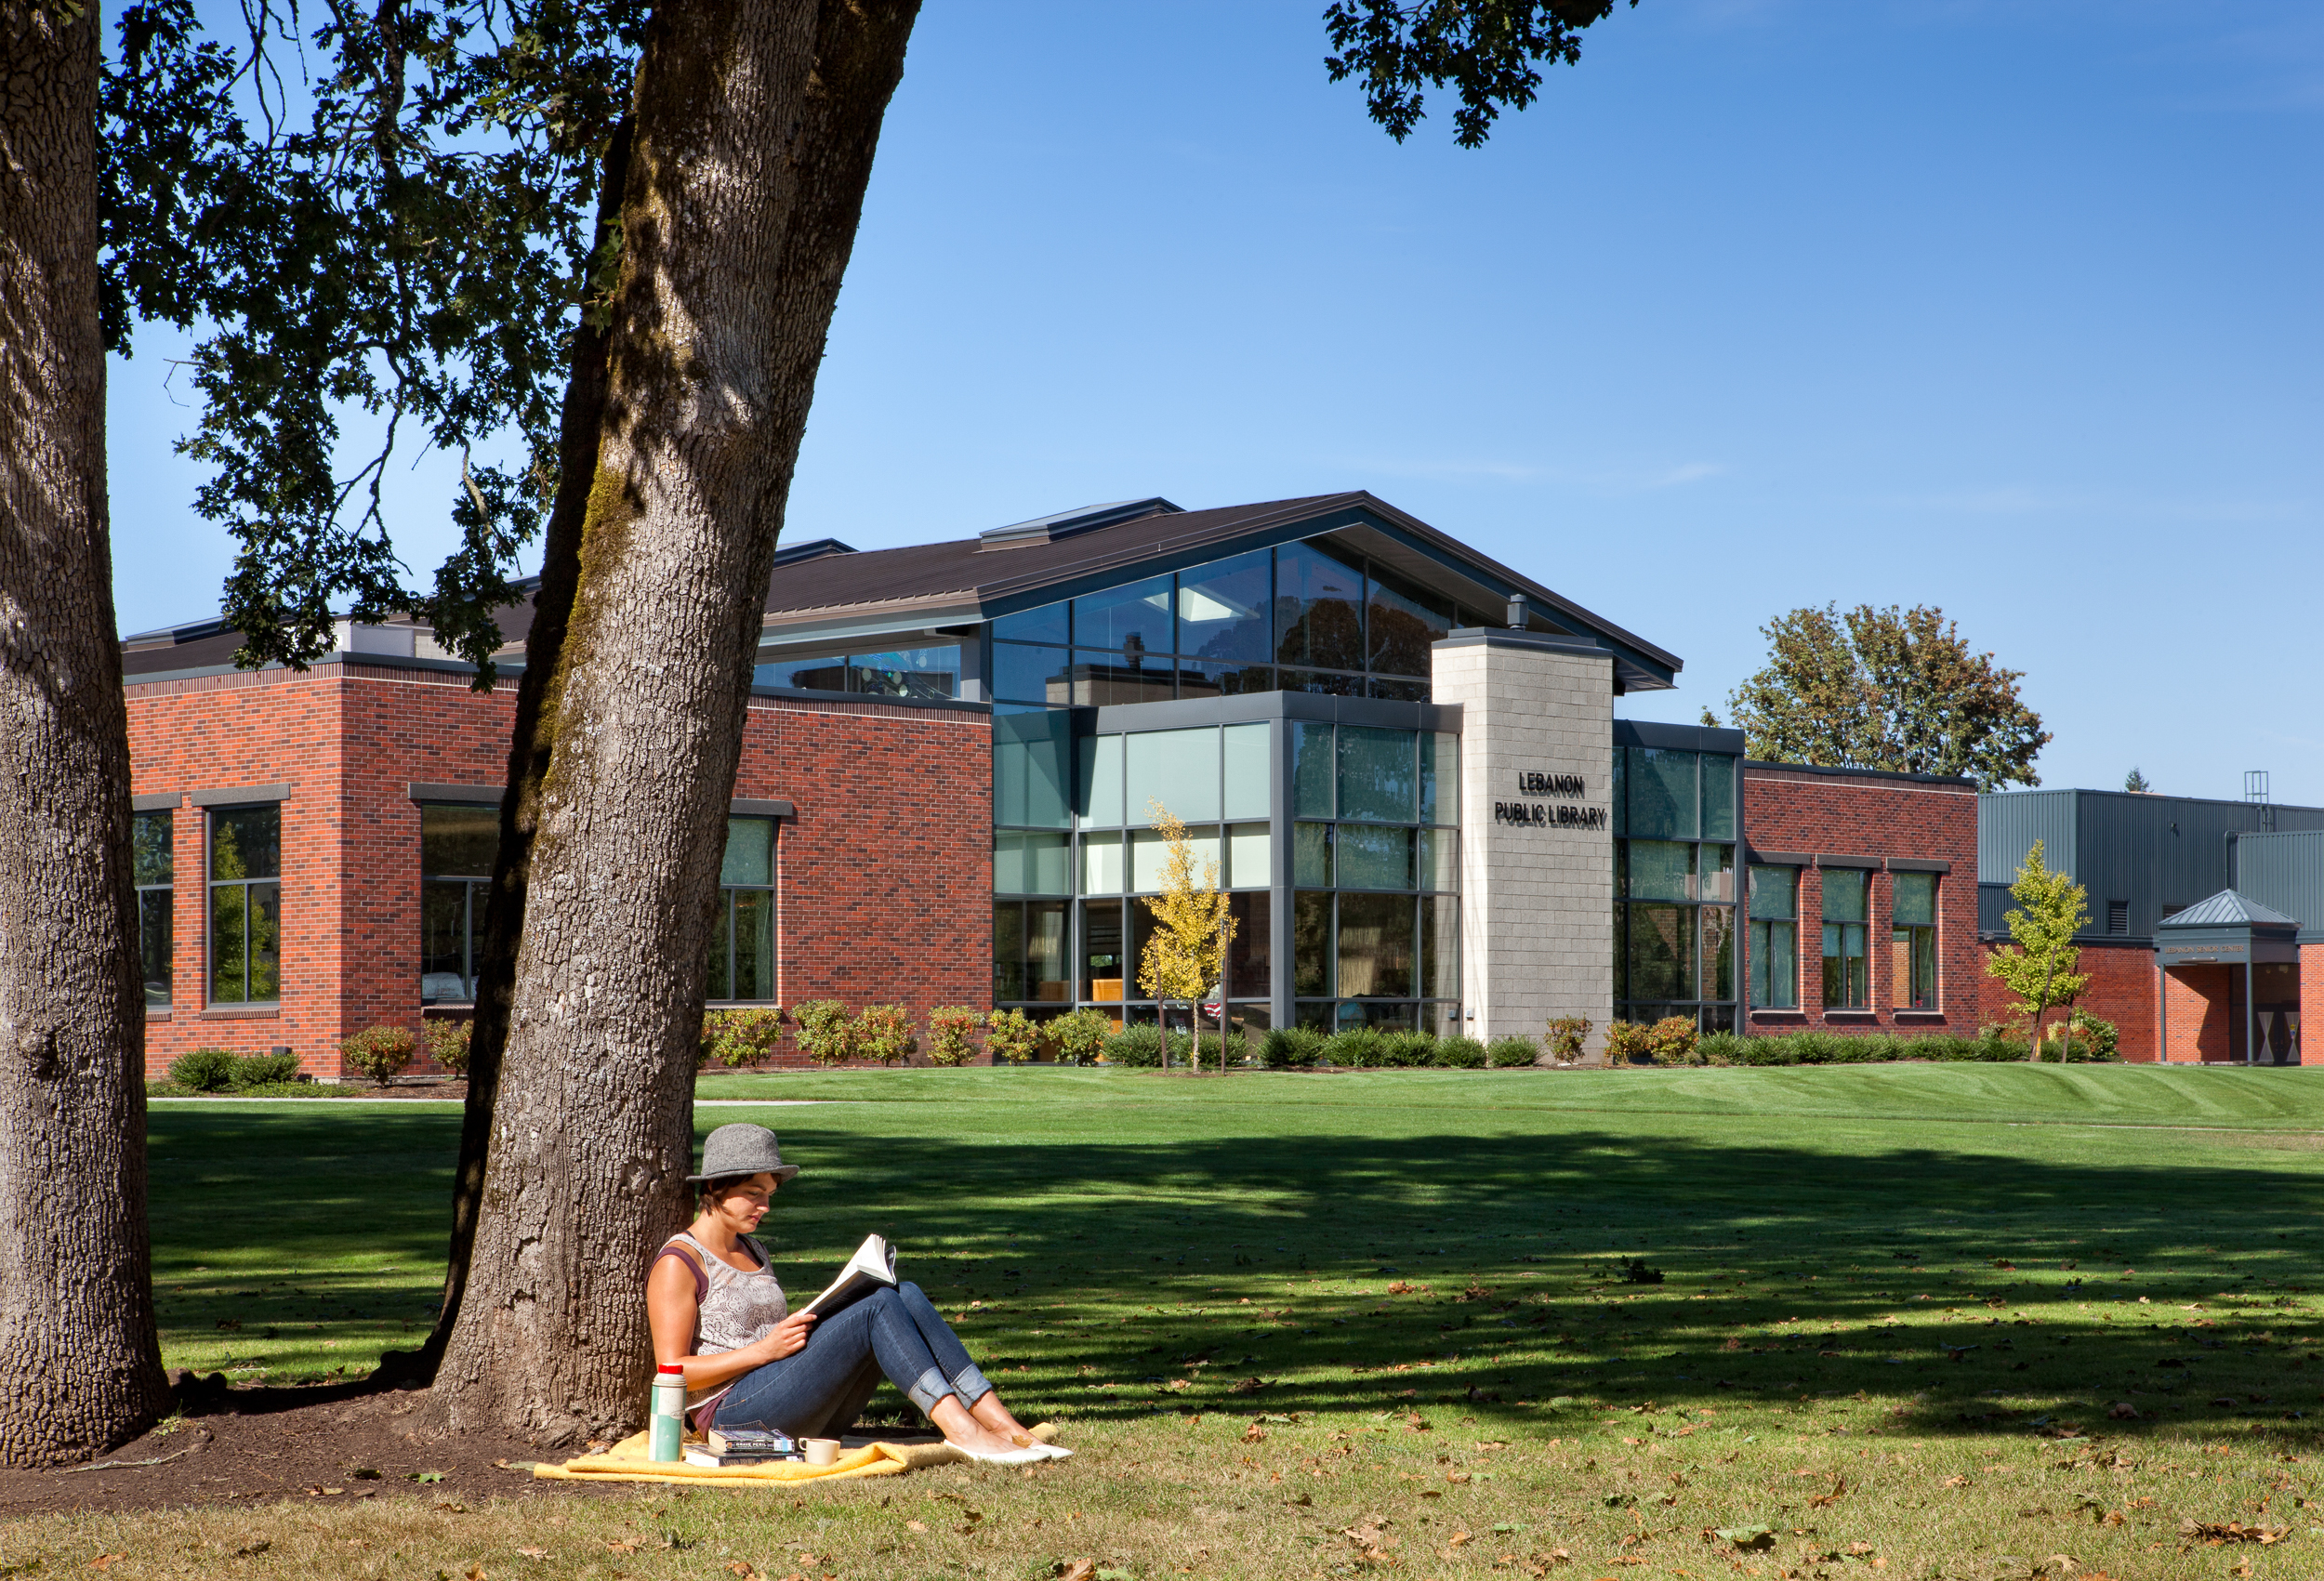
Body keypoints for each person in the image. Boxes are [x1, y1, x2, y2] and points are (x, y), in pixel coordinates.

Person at [648, 1123, 1061, 1465]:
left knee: (906, 1293)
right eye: (754, 1194)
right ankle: (963, 1431)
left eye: (770, 1195)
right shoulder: (679, 1263)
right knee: (877, 1307)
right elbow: (670, 1369)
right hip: (733, 1417)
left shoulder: (752, 1248)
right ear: (717, 1187)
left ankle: (1004, 1425)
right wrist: (763, 1351)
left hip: (794, 1399)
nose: (765, 1207)